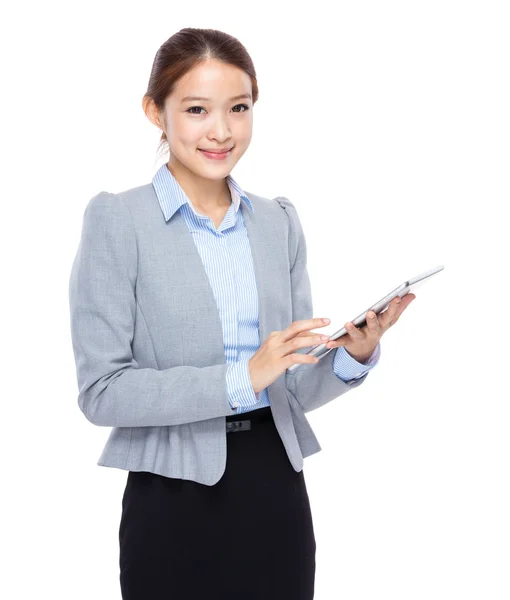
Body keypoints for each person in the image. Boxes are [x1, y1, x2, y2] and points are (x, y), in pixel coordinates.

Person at [68, 27, 415, 600]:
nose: (221, 131)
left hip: (274, 485)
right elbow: (102, 392)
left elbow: (292, 384)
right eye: (197, 109)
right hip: (172, 492)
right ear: (156, 111)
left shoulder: (277, 221)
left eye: (239, 108)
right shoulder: (118, 220)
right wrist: (241, 378)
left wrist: (353, 355)